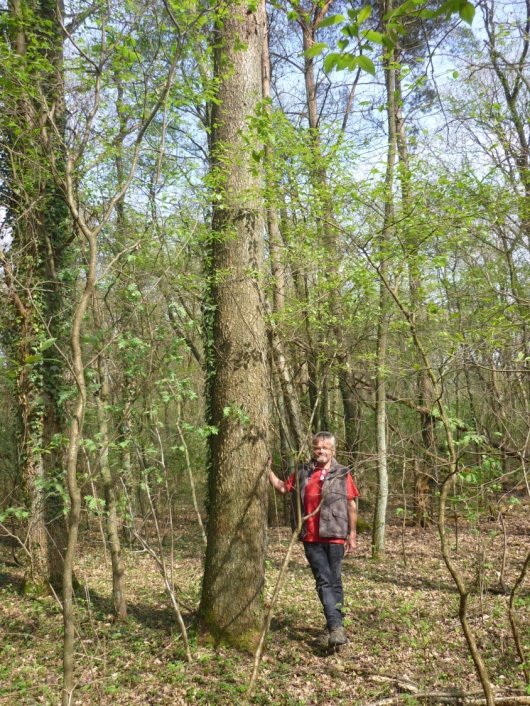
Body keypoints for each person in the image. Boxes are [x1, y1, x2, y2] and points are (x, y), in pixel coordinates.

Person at [269, 431, 359, 648]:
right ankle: (336, 627)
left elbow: (351, 504)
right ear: (312, 448)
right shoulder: (303, 472)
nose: (321, 451)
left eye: (325, 447)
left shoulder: (342, 473)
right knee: (323, 580)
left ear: (333, 450)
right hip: (310, 535)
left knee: (335, 580)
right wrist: (267, 471)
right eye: (317, 447)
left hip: (336, 534)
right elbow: (283, 488)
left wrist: (352, 533)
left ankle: (333, 627)